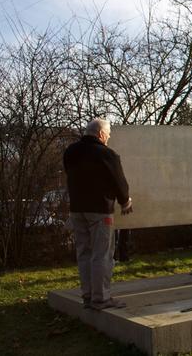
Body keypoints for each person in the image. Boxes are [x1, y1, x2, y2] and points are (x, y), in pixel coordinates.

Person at [63, 118, 133, 310]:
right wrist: (125, 201)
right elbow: (119, 181)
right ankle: (101, 298)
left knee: (84, 252)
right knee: (102, 255)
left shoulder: (70, 152)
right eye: (108, 134)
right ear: (101, 134)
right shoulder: (106, 154)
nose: (109, 137)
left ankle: (88, 296)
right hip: (101, 211)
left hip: (77, 210)